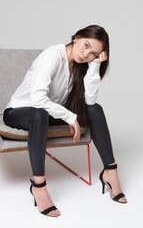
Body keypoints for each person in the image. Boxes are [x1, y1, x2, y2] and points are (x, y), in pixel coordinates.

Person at [3, 25, 127, 217]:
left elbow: (90, 101)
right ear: (76, 37)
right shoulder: (53, 55)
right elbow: (37, 100)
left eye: (93, 53)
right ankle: (39, 185)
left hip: (46, 115)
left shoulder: (82, 65)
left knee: (95, 109)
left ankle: (110, 172)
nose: (85, 54)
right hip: (18, 112)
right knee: (39, 114)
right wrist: (70, 117)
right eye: (85, 45)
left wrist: (94, 66)